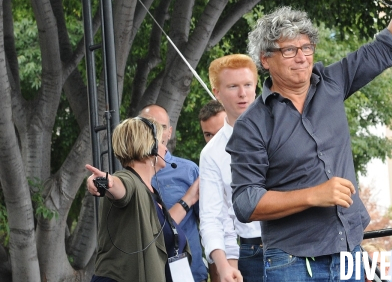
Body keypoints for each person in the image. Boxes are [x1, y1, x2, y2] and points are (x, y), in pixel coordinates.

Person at [227, 0, 392, 281]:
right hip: (292, 262)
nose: (302, 56)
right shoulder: (252, 124)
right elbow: (245, 203)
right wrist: (314, 195)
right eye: (290, 50)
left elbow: (391, 43)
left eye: (307, 46)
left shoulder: (332, 83)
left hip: (349, 256)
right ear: (265, 59)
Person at [85, 117, 193, 282]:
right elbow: (120, 187)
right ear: (150, 148)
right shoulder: (128, 180)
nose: (165, 148)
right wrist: (105, 182)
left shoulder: (150, 191)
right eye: (160, 142)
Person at [199, 54, 263, 282]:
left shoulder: (282, 128)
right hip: (254, 253)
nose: (242, 93)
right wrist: (224, 266)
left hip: (301, 243)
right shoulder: (211, 154)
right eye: (233, 86)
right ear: (216, 92)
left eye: (247, 85)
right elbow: (212, 217)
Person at [140, 104, 209, 282]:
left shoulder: (189, 170)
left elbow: (210, 222)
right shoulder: (130, 176)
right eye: (149, 125)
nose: (156, 132)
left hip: (190, 272)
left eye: (161, 127)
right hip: (151, 274)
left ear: (169, 132)